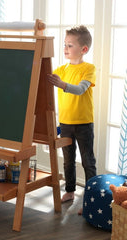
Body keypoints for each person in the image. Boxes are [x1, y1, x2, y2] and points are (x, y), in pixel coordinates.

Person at [47, 25, 97, 212]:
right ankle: (69, 191)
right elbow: (46, 78)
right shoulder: (61, 69)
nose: (65, 48)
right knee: (68, 160)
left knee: (87, 161)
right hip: (66, 123)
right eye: (65, 44)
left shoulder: (88, 69)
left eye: (70, 45)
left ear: (83, 49)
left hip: (84, 123)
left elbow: (80, 89)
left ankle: (92, 198)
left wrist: (61, 84)